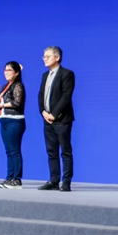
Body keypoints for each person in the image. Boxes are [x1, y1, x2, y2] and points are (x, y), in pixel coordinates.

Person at [37, 46, 76, 192]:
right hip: (47, 119)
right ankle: (54, 180)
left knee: (65, 151)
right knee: (51, 151)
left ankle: (66, 182)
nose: (44, 59)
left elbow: (66, 96)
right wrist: (43, 112)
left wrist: (54, 115)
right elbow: (41, 95)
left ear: (57, 57)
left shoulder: (67, 74)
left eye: (47, 56)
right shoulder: (45, 76)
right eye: (44, 57)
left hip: (61, 119)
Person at [0, 62, 26, 189]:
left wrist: (2, 104)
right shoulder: (6, 86)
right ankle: (9, 178)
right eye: (5, 70)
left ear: (16, 73)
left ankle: (17, 179)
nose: (6, 72)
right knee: (9, 151)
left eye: (9, 70)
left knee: (15, 151)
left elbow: (17, 102)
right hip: (4, 121)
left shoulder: (18, 85)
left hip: (14, 121)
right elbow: (1, 103)